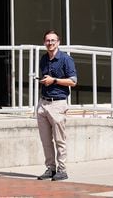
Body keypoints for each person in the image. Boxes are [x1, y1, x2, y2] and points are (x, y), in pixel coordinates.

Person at [36, 29, 77, 182]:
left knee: (60, 139)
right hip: (43, 103)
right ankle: (51, 168)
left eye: (53, 40)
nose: (50, 43)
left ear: (58, 42)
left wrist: (54, 80)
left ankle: (62, 169)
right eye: (47, 40)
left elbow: (73, 81)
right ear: (44, 43)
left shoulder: (66, 59)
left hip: (58, 104)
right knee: (46, 140)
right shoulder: (43, 59)